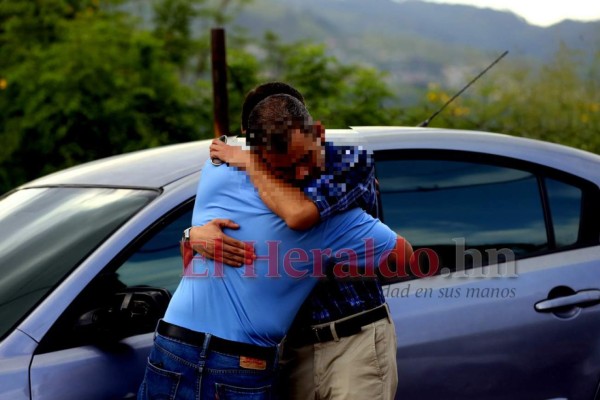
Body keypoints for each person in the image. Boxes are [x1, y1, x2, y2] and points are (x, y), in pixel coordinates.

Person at [137, 94, 412, 399]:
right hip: (280, 348)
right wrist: (192, 235)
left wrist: (326, 262)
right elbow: (189, 260)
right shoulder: (223, 170)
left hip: (352, 338)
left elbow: (298, 216)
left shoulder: (347, 168)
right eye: (282, 164)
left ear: (318, 133)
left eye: (303, 158)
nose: (300, 173)